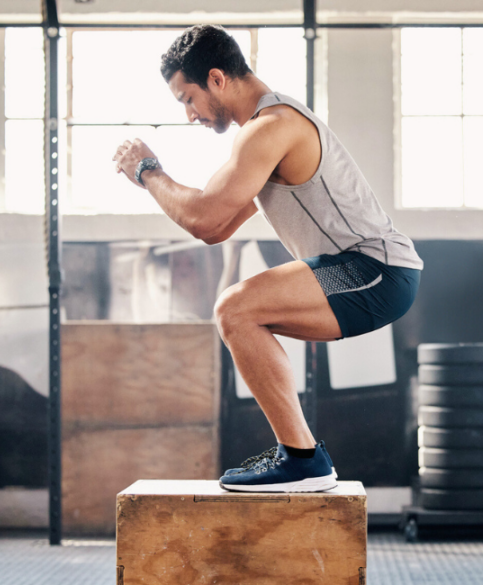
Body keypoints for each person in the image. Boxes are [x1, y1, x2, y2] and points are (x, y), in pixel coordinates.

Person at [113, 24, 423, 493]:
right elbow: (216, 229)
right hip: (362, 271)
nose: (190, 114)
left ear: (217, 79)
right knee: (241, 315)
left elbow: (202, 218)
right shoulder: (264, 133)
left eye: (188, 98)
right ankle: (299, 455)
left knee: (235, 308)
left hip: (375, 269)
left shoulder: (271, 128)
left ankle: (301, 459)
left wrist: (146, 170)